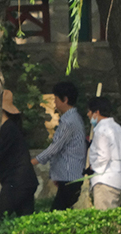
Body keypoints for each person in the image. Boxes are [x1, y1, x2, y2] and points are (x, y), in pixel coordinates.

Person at [31, 81, 86, 211]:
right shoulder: (73, 118)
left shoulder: (68, 121)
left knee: (57, 212)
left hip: (70, 176)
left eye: (56, 99)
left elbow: (55, 148)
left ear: (65, 100)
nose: (55, 103)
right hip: (68, 176)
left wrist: (33, 161)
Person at [0, 90, 38, 229]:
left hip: (16, 182)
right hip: (26, 181)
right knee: (25, 225)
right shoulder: (11, 127)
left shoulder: (7, 129)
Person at [86, 96, 121, 210]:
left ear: (97, 112)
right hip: (120, 181)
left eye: (89, 112)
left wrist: (92, 168)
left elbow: (103, 156)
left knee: (104, 221)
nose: (88, 115)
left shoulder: (102, 130)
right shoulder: (118, 128)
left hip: (105, 181)